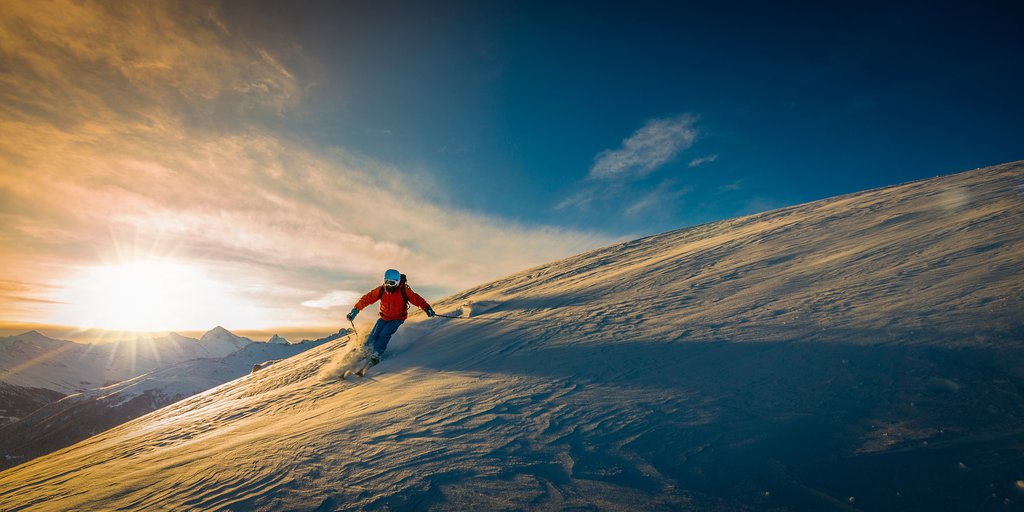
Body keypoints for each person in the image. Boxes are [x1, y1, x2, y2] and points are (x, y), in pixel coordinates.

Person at [346, 268, 435, 366]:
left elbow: (416, 299)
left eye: (391, 283)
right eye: (386, 282)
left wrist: (427, 308)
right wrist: (355, 311)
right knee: (374, 334)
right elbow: (367, 298)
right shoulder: (381, 290)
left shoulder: (404, 290)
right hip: (384, 317)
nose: (388, 285)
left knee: (384, 333)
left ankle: (377, 354)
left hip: (397, 318)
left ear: (397, 282)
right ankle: (366, 350)